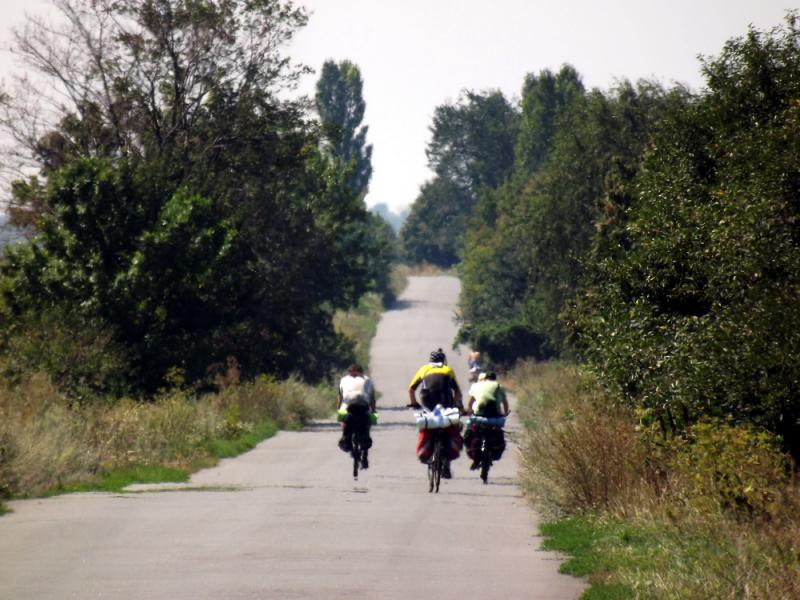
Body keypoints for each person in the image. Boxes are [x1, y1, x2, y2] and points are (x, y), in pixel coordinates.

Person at [408, 348, 463, 478]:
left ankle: (427, 451)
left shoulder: (424, 369)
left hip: (427, 401)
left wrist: (414, 403)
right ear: (443, 360)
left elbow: (411, 388)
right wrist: (455, 404)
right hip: (445, 401)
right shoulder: (448, 370)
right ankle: (447, 464)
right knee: (450, 426)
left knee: (428, 423)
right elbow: (457, 391)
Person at [465, 372, 509, 470]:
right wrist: (505, 413)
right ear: (495, 379)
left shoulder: (476, 385)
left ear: (485, 378)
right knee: (499, 435)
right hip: (495, 415)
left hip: (479, 414)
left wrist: (469, 411)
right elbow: (505, 403)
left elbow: (470, 403)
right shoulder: (499, 386)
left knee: (470, 433)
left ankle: (475, 456)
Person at [337, 364, 375, 469]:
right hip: (363, 406)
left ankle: (345, 437)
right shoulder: (368, 380)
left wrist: (338, 409)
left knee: (342, 419)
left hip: (348, 407)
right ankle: (365, 446)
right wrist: (373, 411)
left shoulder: (344, 380)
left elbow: (340, 397)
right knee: (368, 421)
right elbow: (372, 398)